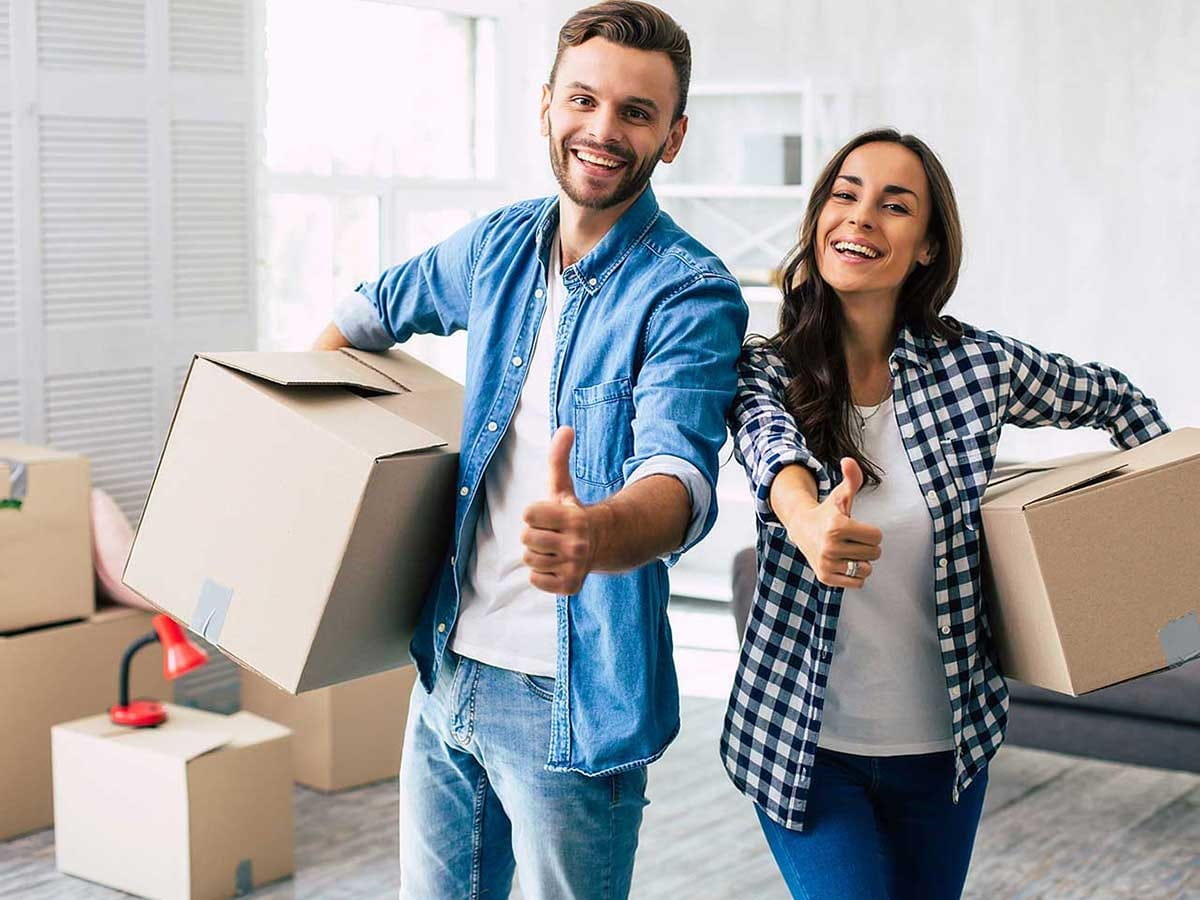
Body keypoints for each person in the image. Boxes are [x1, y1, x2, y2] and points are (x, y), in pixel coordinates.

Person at [313, 3, 746, 898]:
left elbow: (680, 479)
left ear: (673, 136)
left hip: (571, 702)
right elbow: (369, 311)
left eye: (636, 112)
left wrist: (597, 534)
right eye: (583, 100)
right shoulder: (500, 245)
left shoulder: (689, 292)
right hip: (447, 664)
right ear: (546, 104)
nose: (602, 129)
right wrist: (306, 454)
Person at [722, 127, 1167, 900]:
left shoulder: (976, 367)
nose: (861, 218)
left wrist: (1154, 538)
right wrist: (806, 519)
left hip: (945, 749)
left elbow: (1117, 399)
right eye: (845, 194)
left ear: (926, 246)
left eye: (895, 207)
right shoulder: (764, 368)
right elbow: (768, 450)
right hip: (802, 747)